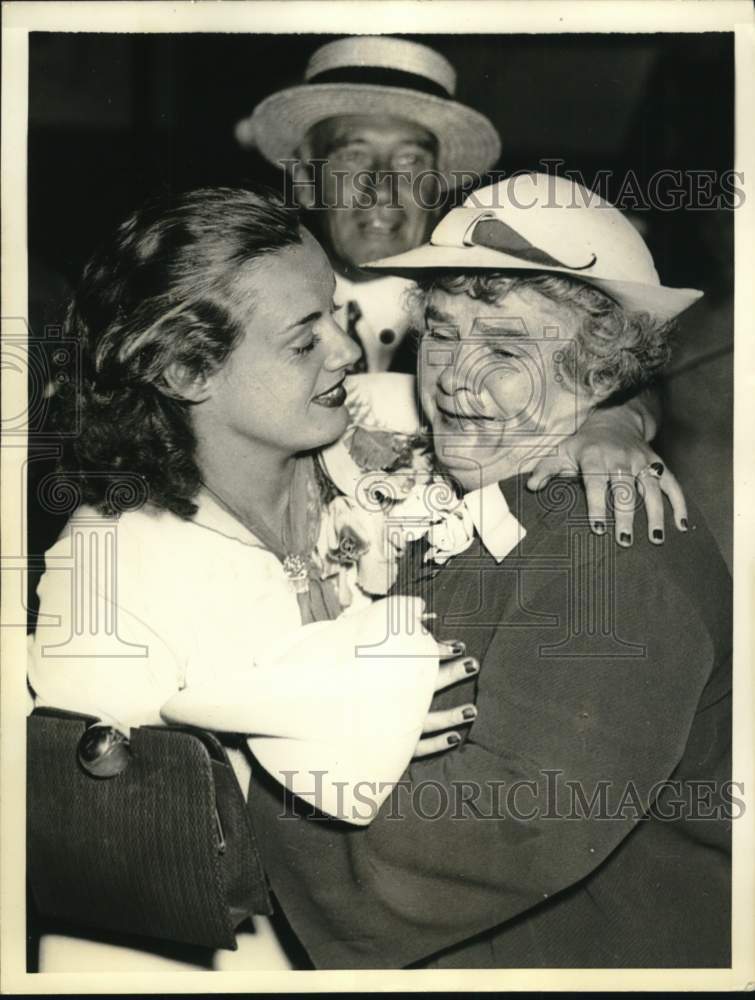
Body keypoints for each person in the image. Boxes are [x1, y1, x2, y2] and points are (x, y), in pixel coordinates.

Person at [238, 174, 732, 969]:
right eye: (441, 332)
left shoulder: (606, 544)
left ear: (600, 376)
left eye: (503, 347)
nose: (456, 375)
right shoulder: (456, 510)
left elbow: (509, 824)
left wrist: (240, 796)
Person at [26, 187, 477, 971]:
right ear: (185, 370)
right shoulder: (107, 567)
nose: (347, 351)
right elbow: (107, 849)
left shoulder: (381, 429)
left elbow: (553, 400)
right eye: (305, 339)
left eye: (336, 312)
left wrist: (614, 427)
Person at [236, 34, 687, 546]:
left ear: (440, 182)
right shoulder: (255, 310)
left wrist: (613, 423)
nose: (381, 185)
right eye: (352, 157)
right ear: (305, 180)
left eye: (410, 163)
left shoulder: (481, 293)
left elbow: (621, 365)